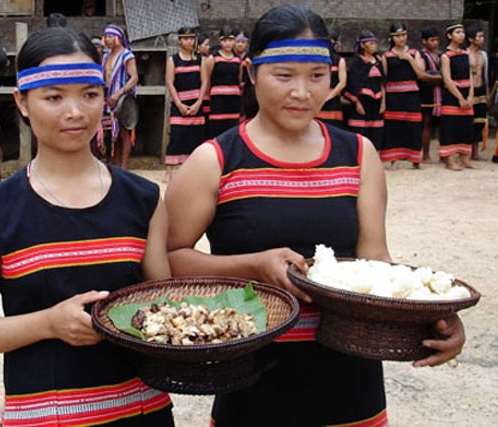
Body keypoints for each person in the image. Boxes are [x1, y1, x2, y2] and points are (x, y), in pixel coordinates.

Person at [165, 5, 466, 426]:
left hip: (351, 384)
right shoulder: (214, 160)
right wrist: (252, 266)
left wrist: (432, 312)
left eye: (317, 76)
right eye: (284, 75)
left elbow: (375, 262)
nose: (302, 92)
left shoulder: (359, 156)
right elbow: (168, 263)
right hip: (252, 387)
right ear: (251, 72)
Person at [0, 26, 174, 427]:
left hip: (142, 412)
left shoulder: (143, 199)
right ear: (23, 102)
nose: (75, 112)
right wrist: (47, 324)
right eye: (54, 97)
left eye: (89, 94)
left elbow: (163, 306)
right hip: (45, 417)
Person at [163, 27, 208, 183]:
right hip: (179, 103)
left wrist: (198, 102)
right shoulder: (173, 60)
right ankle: (169, 171)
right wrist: (179, 104)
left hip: (196, 102)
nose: (190, 41)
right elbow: (170, 82)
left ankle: (192, 170)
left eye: (192, 38)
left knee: (195, 137)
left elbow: (205, 82)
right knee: (177, 136)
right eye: (186, 38)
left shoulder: (200, 59)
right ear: (179, 40)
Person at [380, 22, 426, 169]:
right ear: (392, 38)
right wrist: (383, 100)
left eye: (404, 35)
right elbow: (383, 79)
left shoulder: (414, 53)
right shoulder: (386, 56)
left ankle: (415, 158)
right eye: (398, 36)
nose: (401, 38)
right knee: (394, 127)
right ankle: (394, 159)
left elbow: (421, 73)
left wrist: (409, 59)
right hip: (393, 96)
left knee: (413, 126)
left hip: (411, 95)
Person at [102, 24, 138, 169]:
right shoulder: (105, 56)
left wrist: (118, 94)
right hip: (108, 97)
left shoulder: (127, 55)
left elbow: (134, 78)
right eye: (106, 37)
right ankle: (114, 164)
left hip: (122, 98)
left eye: (110, 36)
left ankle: (124, 166)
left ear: (118, 38)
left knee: (124, 132)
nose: (107, 40)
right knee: (112, 132)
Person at [440, 24, 475, 170]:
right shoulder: (446, 56)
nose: (461, 35)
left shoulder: (465, 54)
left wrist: (471, 94)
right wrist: (460, 97)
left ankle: (465, 157)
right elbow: (447, 79)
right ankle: (449, 159)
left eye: (462, 32)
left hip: (467, 93)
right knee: (451, 126)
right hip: (452, 95)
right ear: (449, 35)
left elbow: (470, 76)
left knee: (466, 125)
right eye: (457, 32)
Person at [345, 30, 385, 150]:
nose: (374, 46)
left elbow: (382, 82)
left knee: (376, 130)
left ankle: (375, 153)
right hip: (363, 100)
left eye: (375, 43)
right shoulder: (358, 62)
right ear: (363, 45)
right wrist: (356, 102)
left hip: (376, 100)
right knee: (360, 129)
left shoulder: (378, 61)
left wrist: (383, 102)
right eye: (370, 43)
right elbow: (353, 84)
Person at [205, 27, 242, 138]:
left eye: (230, 40)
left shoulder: (237, 59)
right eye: (225, 40)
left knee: (232, 129)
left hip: (233, 100)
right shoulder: (213, 58)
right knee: (217, 129)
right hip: (218, 101)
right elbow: (207, 80)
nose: (228, 44)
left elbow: (239, 80)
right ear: (220, 42)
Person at [419, 26, 443, 162]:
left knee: (442, 125)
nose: (435, 43)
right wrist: (440, 78)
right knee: (427, 124)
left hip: (440, 93)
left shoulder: (439, 56)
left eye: (437, 40)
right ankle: (426, 154)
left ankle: (443, 153)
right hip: (427, 93)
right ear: (424, 41)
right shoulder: (422, 56)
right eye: (432, 40)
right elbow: (422, 75)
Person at [466, 24, 489, 160]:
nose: (482, 39)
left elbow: (485, 74)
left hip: (481, 89)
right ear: (471, 39)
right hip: (470, 90)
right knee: (468, 121)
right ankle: (466, 152)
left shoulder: (484, 55)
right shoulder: (465, 54)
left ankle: (475, 152)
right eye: (479, 36)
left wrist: (487, 92)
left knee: (479, 122)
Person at [316, 29, 347, 128]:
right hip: (317, 98)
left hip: (333, 100)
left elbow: (342, 82)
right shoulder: (317, 59)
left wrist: (329, 96)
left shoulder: (339, 60)